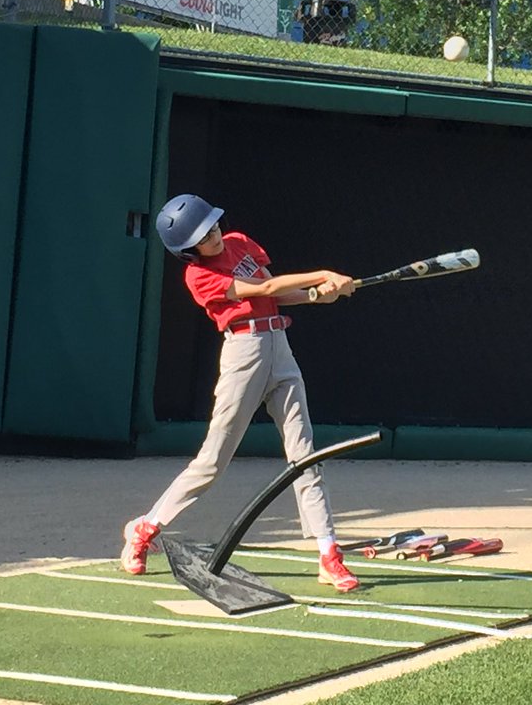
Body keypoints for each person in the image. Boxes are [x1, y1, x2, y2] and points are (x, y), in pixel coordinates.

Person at [120, 193, 361, 592]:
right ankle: (145, 529)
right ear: (187, 250)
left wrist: (320, 294)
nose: (212, 235)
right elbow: (262, 286)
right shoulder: (198, 277)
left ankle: (328, 553)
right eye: (201, 235)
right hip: (243, 355)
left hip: (279, 348)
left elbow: (276, 294)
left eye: (211, 225)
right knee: (212, 461)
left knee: (305, 456)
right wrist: (321, 274)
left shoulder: (239, 242)